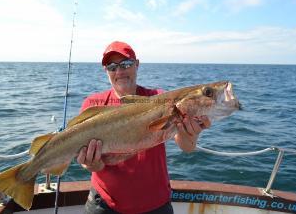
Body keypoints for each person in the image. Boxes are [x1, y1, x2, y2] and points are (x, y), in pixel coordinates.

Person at [76, 41, 211, 214]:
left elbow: (187, 147)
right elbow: (92, 165)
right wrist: (91, 164)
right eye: (112, 67)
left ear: (137, 64)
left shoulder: (161, 99)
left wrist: (192, 133)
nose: (119, 71)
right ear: (106, 71)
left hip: (156, 205)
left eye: (126, 64)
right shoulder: (92, 105)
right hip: (105, 204)